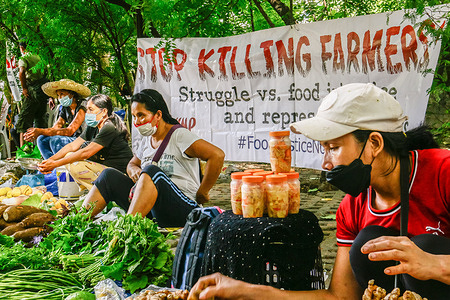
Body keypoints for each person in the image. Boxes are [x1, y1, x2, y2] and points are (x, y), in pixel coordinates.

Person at [188, 83, 450, 300]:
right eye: (323, 149)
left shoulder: (443, 172)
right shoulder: (352, 208)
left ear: (374, 143)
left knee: (426, 246)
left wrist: (435, 265)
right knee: (367, 242)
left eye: (333, 148)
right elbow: (340, 296)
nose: (326, 163)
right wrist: (247, 291)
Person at [82, 89, 225, 228]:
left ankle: (126, 230)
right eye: (134, 116)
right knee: (108, 176)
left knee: (151, 171)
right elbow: (132, 163)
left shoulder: (179, 135)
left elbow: (217, 155)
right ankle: (78, 220)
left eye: (141, 115)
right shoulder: (147, 139)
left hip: (183, 208)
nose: (137, 121)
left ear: (158, 114)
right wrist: (133, 169)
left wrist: (203, 192)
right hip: (154, 210)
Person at [38, 94, 133, 190]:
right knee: (69, 156)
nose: (87, 113)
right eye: (87, 109)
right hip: (107, 171)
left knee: (76, 166)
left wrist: (55, 164)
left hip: (121, 174)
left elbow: (86, 153)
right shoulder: (94, 127)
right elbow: (72, 146)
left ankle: (101, 194)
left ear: (104, 111)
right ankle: (96, 192)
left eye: (91, 110)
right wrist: (51, 160)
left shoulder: (109, 127)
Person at [23, 79, 91, 159]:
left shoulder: (83, 105)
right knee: (42, 139)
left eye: (62, 94)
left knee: (56, 140)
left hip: (84, 141)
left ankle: (59, 165)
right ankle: (51, 167)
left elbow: (70, 131)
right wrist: (37, 133)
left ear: (71, 94)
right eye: (58, 95)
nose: (60, 98)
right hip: (73, 139)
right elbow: (55, 128)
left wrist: (40, 131)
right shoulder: (65, 108)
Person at [16, 41, 49, 147]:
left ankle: (24, 152)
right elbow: (46, 74)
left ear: (22, 48)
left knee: (24, 121)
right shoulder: (39, 57)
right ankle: (41, 151)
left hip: (32, 91)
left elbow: (21, 72)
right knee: (40, 120)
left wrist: (24, 88)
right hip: (42, 92)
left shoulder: (24, 58)